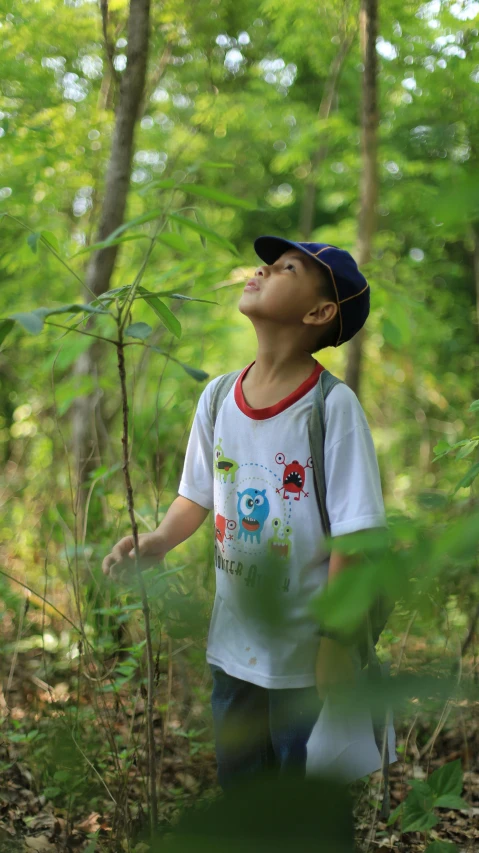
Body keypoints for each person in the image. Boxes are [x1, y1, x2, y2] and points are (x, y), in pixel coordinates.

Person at [102, 236, 387, 792]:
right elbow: (198, 494)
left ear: (319, 312)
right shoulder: (217, 397)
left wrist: (333, 642)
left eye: (285, 268)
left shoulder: (331, 407)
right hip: (233, 646)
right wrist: (158, 540)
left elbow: (355, 536)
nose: (263, 268)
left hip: (307, 657)